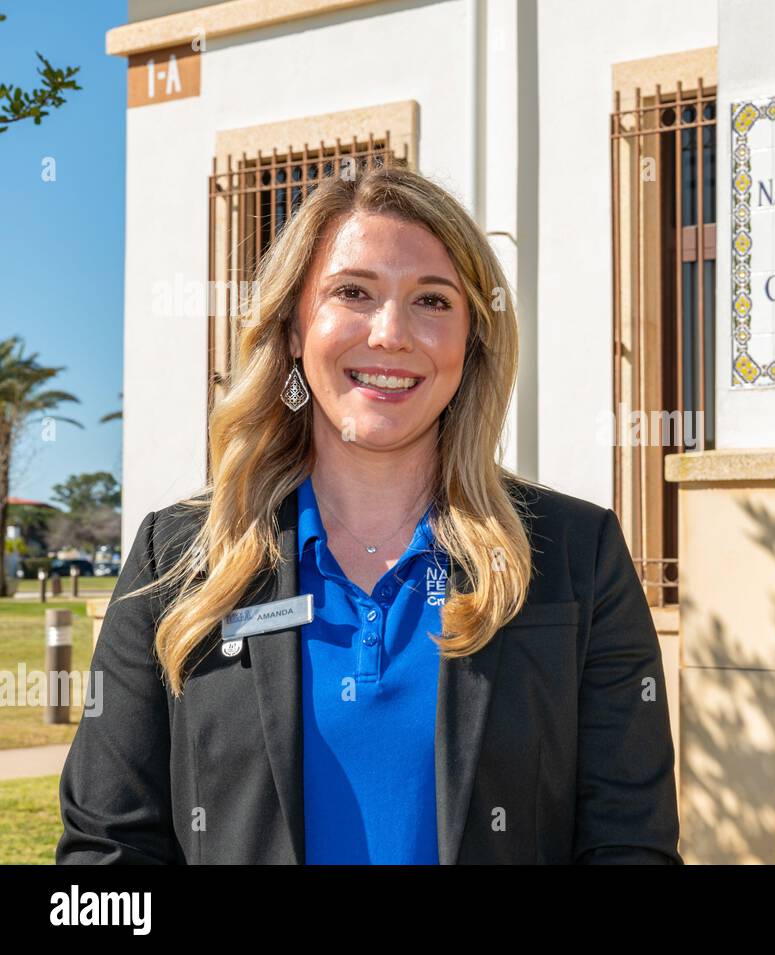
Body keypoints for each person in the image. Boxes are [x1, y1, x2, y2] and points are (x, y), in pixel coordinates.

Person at [56, 163, 682, 864]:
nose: (390, 333)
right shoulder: (175, 560)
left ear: (471, 341)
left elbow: (631, 845)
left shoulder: (576, 556)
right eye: (353, 291)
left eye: (433, 300)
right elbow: (105, 854)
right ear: (294, 327)